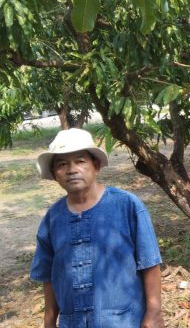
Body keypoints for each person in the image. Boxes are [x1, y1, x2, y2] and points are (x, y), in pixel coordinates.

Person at [29, 128, 163, 328]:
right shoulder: (52, 218)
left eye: (80, 161)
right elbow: (49, 275)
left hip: (124, 321)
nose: (72, 169)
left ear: (96, 165)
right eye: (62, 164)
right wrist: (49, 321)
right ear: (55, 173)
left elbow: (150, 262)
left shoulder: (127, 205)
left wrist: (154, 312)